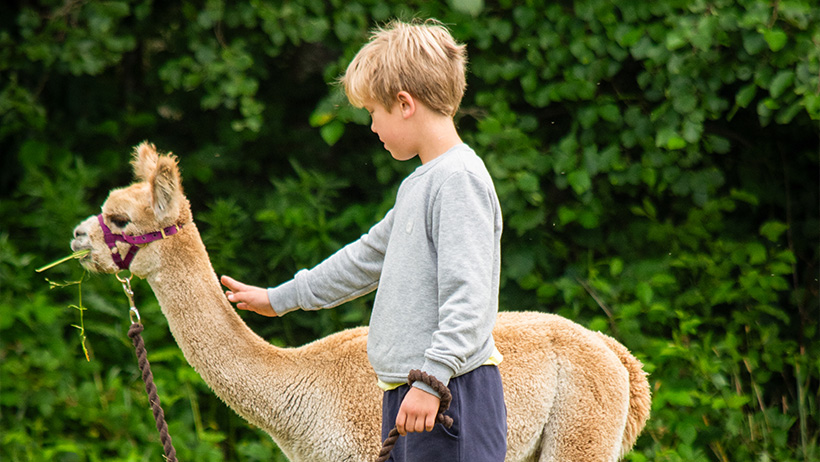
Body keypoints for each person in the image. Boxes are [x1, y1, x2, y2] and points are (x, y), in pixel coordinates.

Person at [221, 18, 506, 462]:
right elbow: (365, 257)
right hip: (410, 394)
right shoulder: (419, 184)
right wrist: (280, 298)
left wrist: (432, 380)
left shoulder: (459, 181)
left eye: (374, 113)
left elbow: (468, 298)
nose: (372, 127)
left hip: (450, 395)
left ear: (405, 103)